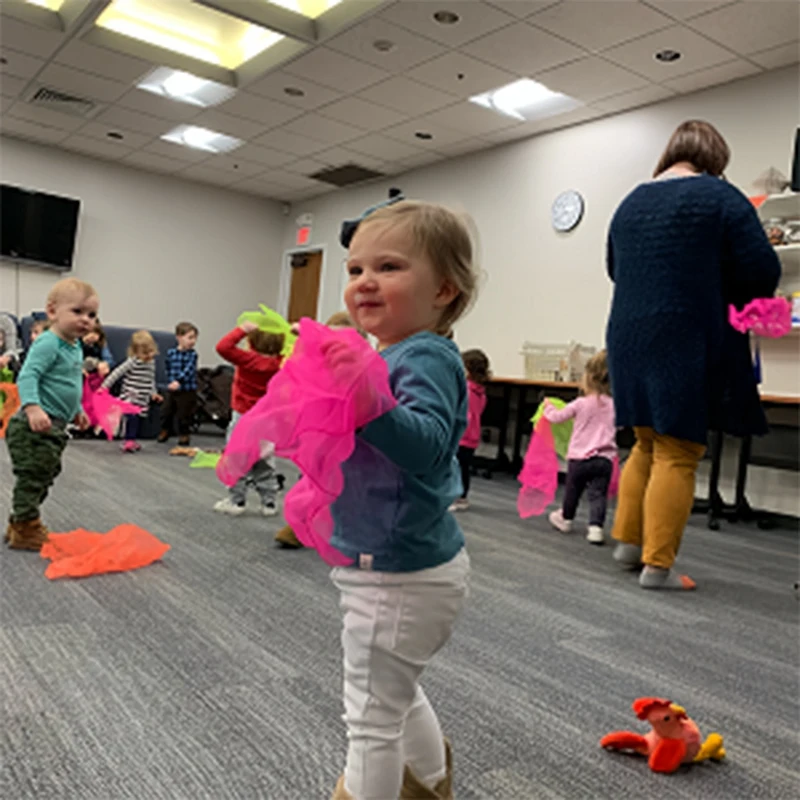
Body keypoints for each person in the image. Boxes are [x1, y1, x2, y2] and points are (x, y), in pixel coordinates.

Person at [328, 200, 477, 800]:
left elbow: (426, 446)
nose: (364, 281)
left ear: (444, 289)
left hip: (398, 573)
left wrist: (363, 398)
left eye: (388, 266)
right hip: (396, 563)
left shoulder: (425, 355)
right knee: (394, 689)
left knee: (370, 720)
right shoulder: (390, 353)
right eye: (355, 268)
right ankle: (431, 783)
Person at [606, 120, 781, 590]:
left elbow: (614, 269)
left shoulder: (630, 202)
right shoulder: (721, 198)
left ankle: (626, 542)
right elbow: (762, 269)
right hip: (682, 332)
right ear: (715, 161)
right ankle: (657, 565)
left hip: (627, 333)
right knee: (679, 448)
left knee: (644, 440)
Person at [4, 278, 98, 550]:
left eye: (92, 315)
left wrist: (77, 409)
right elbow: (28, 375)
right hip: (32, 426)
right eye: (77, 312)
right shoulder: (49, 343)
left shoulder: (74, 345)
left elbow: (68, 382)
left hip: (54, 427)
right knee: (33, 477)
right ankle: (25, 528)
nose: (86, 320)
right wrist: (32, 407)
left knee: (45, 473)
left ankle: (18, 522)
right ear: (53, 311)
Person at [274, 310, 365, 549]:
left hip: (349, 432)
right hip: (316, 429)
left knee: (341, 480)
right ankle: (303, 525)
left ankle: (321, 525)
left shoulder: (361, 365)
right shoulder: (315, 362)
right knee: (311, 475)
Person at [545, 351, 617, 545]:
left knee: (573, 491)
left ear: (588, 379)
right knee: (598, 494)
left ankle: (566, 518)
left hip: (579, 459)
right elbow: (621, 424)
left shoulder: (580, 403)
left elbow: (557, 418)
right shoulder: (614, 405)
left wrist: (548, 408)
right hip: (605, 460)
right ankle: (596, 528)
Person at [213, 322, 283, 516]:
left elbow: (222, 347)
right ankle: (269, 503)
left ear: (252, 342)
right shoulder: (281, 364)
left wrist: (241, 330)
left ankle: (237, 501)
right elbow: (307, 357)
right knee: (265, 461)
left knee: (237, 459)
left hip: (243, 417)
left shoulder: (247, 360)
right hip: (268, 421)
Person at [100, 330, 162, 452]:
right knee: (132, 418)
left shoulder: (151, 363)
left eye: (151, 351)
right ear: (136, 351)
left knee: (137, 420)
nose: (149, 355)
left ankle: (130, 439)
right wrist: (104, 386)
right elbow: (116, 373)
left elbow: (151, 379)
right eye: (145, 353)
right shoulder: (132, 362)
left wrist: (153, 393)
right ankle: (128, 440)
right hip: (130, 396)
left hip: (142, 399)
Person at [449, 348, 490, 512]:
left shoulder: (465, 390)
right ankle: (462, 497)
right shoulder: (481, 392)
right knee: (464, 468)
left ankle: (454, 497)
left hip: (461, 435)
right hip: (472, 437)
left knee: (454, 468)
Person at [158, 321, 198, 446]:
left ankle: (184, 434)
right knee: (166, 411)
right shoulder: (171, 353)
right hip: (172, 388)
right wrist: (171, 381)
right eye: (189, 337)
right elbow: (168, 368)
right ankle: (165, 430)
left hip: (187, 389)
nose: (193, 341)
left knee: (184, 414)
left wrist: (178, 381)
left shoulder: (193, 355)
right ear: (179, 338)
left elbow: (189, 370)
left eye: (194, 338)